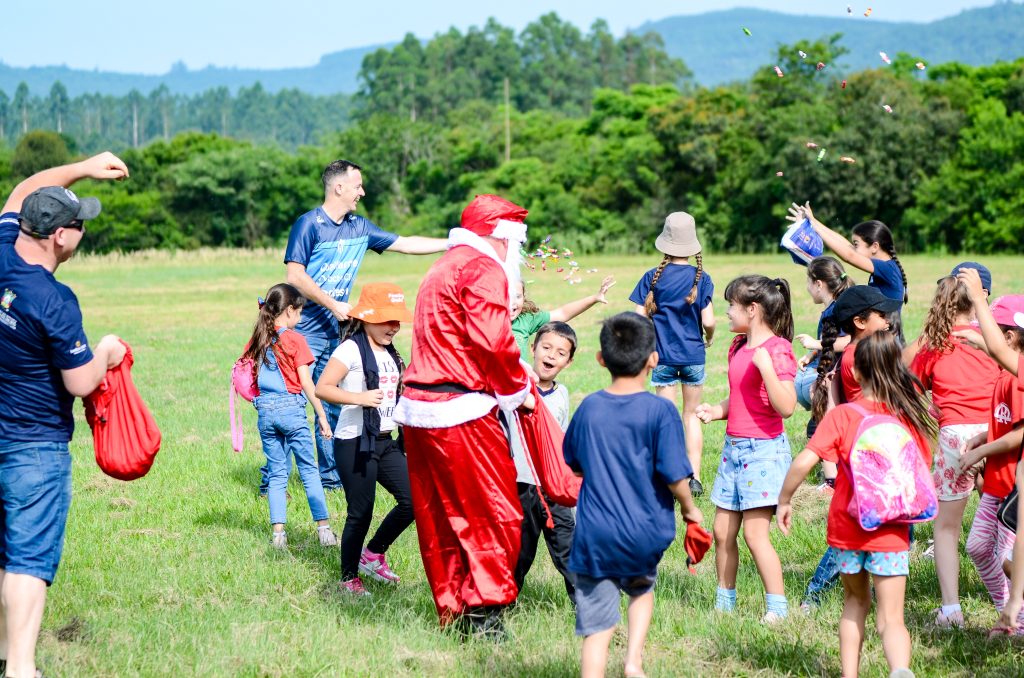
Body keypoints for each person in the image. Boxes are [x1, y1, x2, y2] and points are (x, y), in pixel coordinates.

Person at [0, 152, 131, 678]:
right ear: (60, 237)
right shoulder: (54, 299)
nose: (83, 231)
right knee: (27, 559)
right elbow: (79, 381)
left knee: (4, 553)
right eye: (80, 225)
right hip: (33, 445)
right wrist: (106, 351)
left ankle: (5, 655)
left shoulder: (3, 252)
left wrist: (85, 166)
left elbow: (20, 191)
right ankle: (22, 667)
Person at [393, 194, 535, 637]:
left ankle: (453, 608)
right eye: (517, 244)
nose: (517, 254)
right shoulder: (482, 267)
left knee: (439, 517)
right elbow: (492, 342)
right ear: (501, 237)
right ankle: (485, 613)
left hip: (419, 410)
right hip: (461, 410)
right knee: (492, 511)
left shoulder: (440, 267)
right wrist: (518, 391)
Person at [282, 159, 446, 492]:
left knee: (332, 401)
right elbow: (294, 276)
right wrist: (333, 304)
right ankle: (274, 481)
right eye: (357, 185)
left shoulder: (360, 227)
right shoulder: (308, 224)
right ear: (338, 187)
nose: (362, 192)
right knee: (293, 404)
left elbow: (404, 243)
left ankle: (330, 479)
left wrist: (453, 242)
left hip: (337, 329)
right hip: (303, 328)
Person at [778, 332, 934, 678]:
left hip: (848, 529)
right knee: (892, 617)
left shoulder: (844, 416)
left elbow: (805, 461)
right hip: (891, 530)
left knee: (855, 603)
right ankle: (899, 669)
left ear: (857, 373)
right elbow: (920, 468)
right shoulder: (907, 416)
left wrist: (784, 499)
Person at [563, 312, 703, 678]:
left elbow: (574, 464)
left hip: (596, 534)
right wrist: (690, 510)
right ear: (653, 359)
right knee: (642, 587)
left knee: (597, 627)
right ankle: (633, 662)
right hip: (645, 532)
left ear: (601, 359)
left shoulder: (589, 407)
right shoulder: (661, 410)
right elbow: (675, 476)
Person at [696, 275, 797, 623]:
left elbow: (786, 406)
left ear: (752, 310)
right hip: (733, 450)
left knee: (755, 536)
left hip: (763, 452)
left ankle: (777, 608)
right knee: (722, 532)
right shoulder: (738, 346)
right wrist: (717, 411)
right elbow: (741, 397)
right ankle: (724, 603)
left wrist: (766, 368)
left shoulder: (777, 351)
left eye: (731, 306)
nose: (726, 312)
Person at [907, 272, 999, 628]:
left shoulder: (934, 346)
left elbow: (912, 388)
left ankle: (951, 610)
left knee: (947, 528)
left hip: (955, 437)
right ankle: (1007, 595)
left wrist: (936, 406)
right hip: (996, 431)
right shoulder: (991, 339)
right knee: (1006, 519)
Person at [802, 285, 901, 610]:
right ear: (860, 322)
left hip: (876, 451)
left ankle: (879, 579)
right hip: (870, 456)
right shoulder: (859, 357)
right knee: (858, 530)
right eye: (881, 315)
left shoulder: (857, 353)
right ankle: (814, 595)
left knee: (895, 519)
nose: (887, 320)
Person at [314, 283, 415, 597]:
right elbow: (322, 387)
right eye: (386, 320)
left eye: (397, 321)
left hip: (384, 440)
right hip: (355, 442)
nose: (393, 327)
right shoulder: (350, 349)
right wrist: (359, 398)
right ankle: (348, 579)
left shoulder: (391, 353)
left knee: (413, 500)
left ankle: (372, 555)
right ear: (367, 317)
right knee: (361, 512)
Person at [241, 283, 337, 549]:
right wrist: (322, 415)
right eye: (300, 312)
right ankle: (324, 531)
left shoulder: (260, 337)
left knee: (277, 474)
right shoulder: (296, 340)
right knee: (309, 470)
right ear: (290, 310)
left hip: (265, 412)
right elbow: (307, 383)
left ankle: (278, 537)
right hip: (291, 411)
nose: (301, 317)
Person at [630, 212, 715, 497]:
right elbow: (709, 321)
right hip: (693, 357)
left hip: (662, 357)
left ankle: (668, 479)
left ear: (665, 242)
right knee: (691, 415)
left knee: (666, 419)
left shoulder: (651, 277)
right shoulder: (701, 278)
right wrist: (709, 338)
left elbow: (637, 318)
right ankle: (695, 478)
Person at [951, 295, 1024, 630]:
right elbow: (1006, 423)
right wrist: (985, 436)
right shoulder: (1004, 374)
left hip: (1012, 485)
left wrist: (980, 452)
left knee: (1006, 557)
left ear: (1007, 337)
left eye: (990, 332)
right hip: (996, 481)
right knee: (979, 547)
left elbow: (1020, 434)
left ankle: (1016, 618)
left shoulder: (1015, 380)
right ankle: (1008, 612)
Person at [512, 321, 579, 603]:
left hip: (552, 486)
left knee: (569, 547)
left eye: (560, 353)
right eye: (546, 348)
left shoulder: (562, 394)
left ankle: (586, 607)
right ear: (533, 348)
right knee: (518, 552)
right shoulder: (516, 388)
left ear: (569, 361)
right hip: (519, 484)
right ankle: (502, 603)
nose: (551, 355)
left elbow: (562, 439)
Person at [787, 202, 908, 341]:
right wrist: (813, 222)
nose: (853, 248)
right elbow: (848, 248)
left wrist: (814, 226)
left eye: (856, 244)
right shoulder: (885, 267)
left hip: (888, 341)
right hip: (882, 338)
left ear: (874, 247)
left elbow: (850, 255)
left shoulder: (888, 269)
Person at [794, 256, 854, 487]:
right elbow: (830, 339)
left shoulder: (837, 310)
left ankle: (832, 479)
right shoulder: (833, 307)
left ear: (818, 284)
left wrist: (816, 344)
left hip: (837, 377)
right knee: (822, 422)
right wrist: (812, 354)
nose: (807, 288)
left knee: (826, 423)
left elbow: (847, 341)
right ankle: (832, 472)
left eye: (808, 282)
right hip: (831, 373)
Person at [511, 276, 615, 358]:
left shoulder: (525, 320)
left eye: (517, 296)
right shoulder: (499, 323)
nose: (512, 302)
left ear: (524, 297)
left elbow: (563, 313)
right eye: (506, 296)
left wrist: (595, 297)